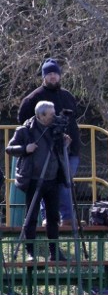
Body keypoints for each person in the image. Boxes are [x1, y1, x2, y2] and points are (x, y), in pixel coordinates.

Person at [18, 59, 81, 226]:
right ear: (44, 76)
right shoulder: (33, 98)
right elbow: (24, 123)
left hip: (70, 149)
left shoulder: (67, 96)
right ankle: (48, 218)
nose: (53, 77)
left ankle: (67, 217)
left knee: (66, 182)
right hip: (45, 151)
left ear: (60, 75)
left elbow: (74, 120)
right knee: (46, 183)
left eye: (55, 73)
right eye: (49, 74)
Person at [5, 101, 71, 261]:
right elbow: (9, 149)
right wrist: (25, 149)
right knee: (31, 217)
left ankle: (54, 252)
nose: (54, 117)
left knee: (53, 217)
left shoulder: (55, 129)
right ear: (40, 116)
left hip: (52, 179)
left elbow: (58, 152)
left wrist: (65, 144)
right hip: (34, 180)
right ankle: (30, 252)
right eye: (51, 114)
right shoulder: (25, 130)